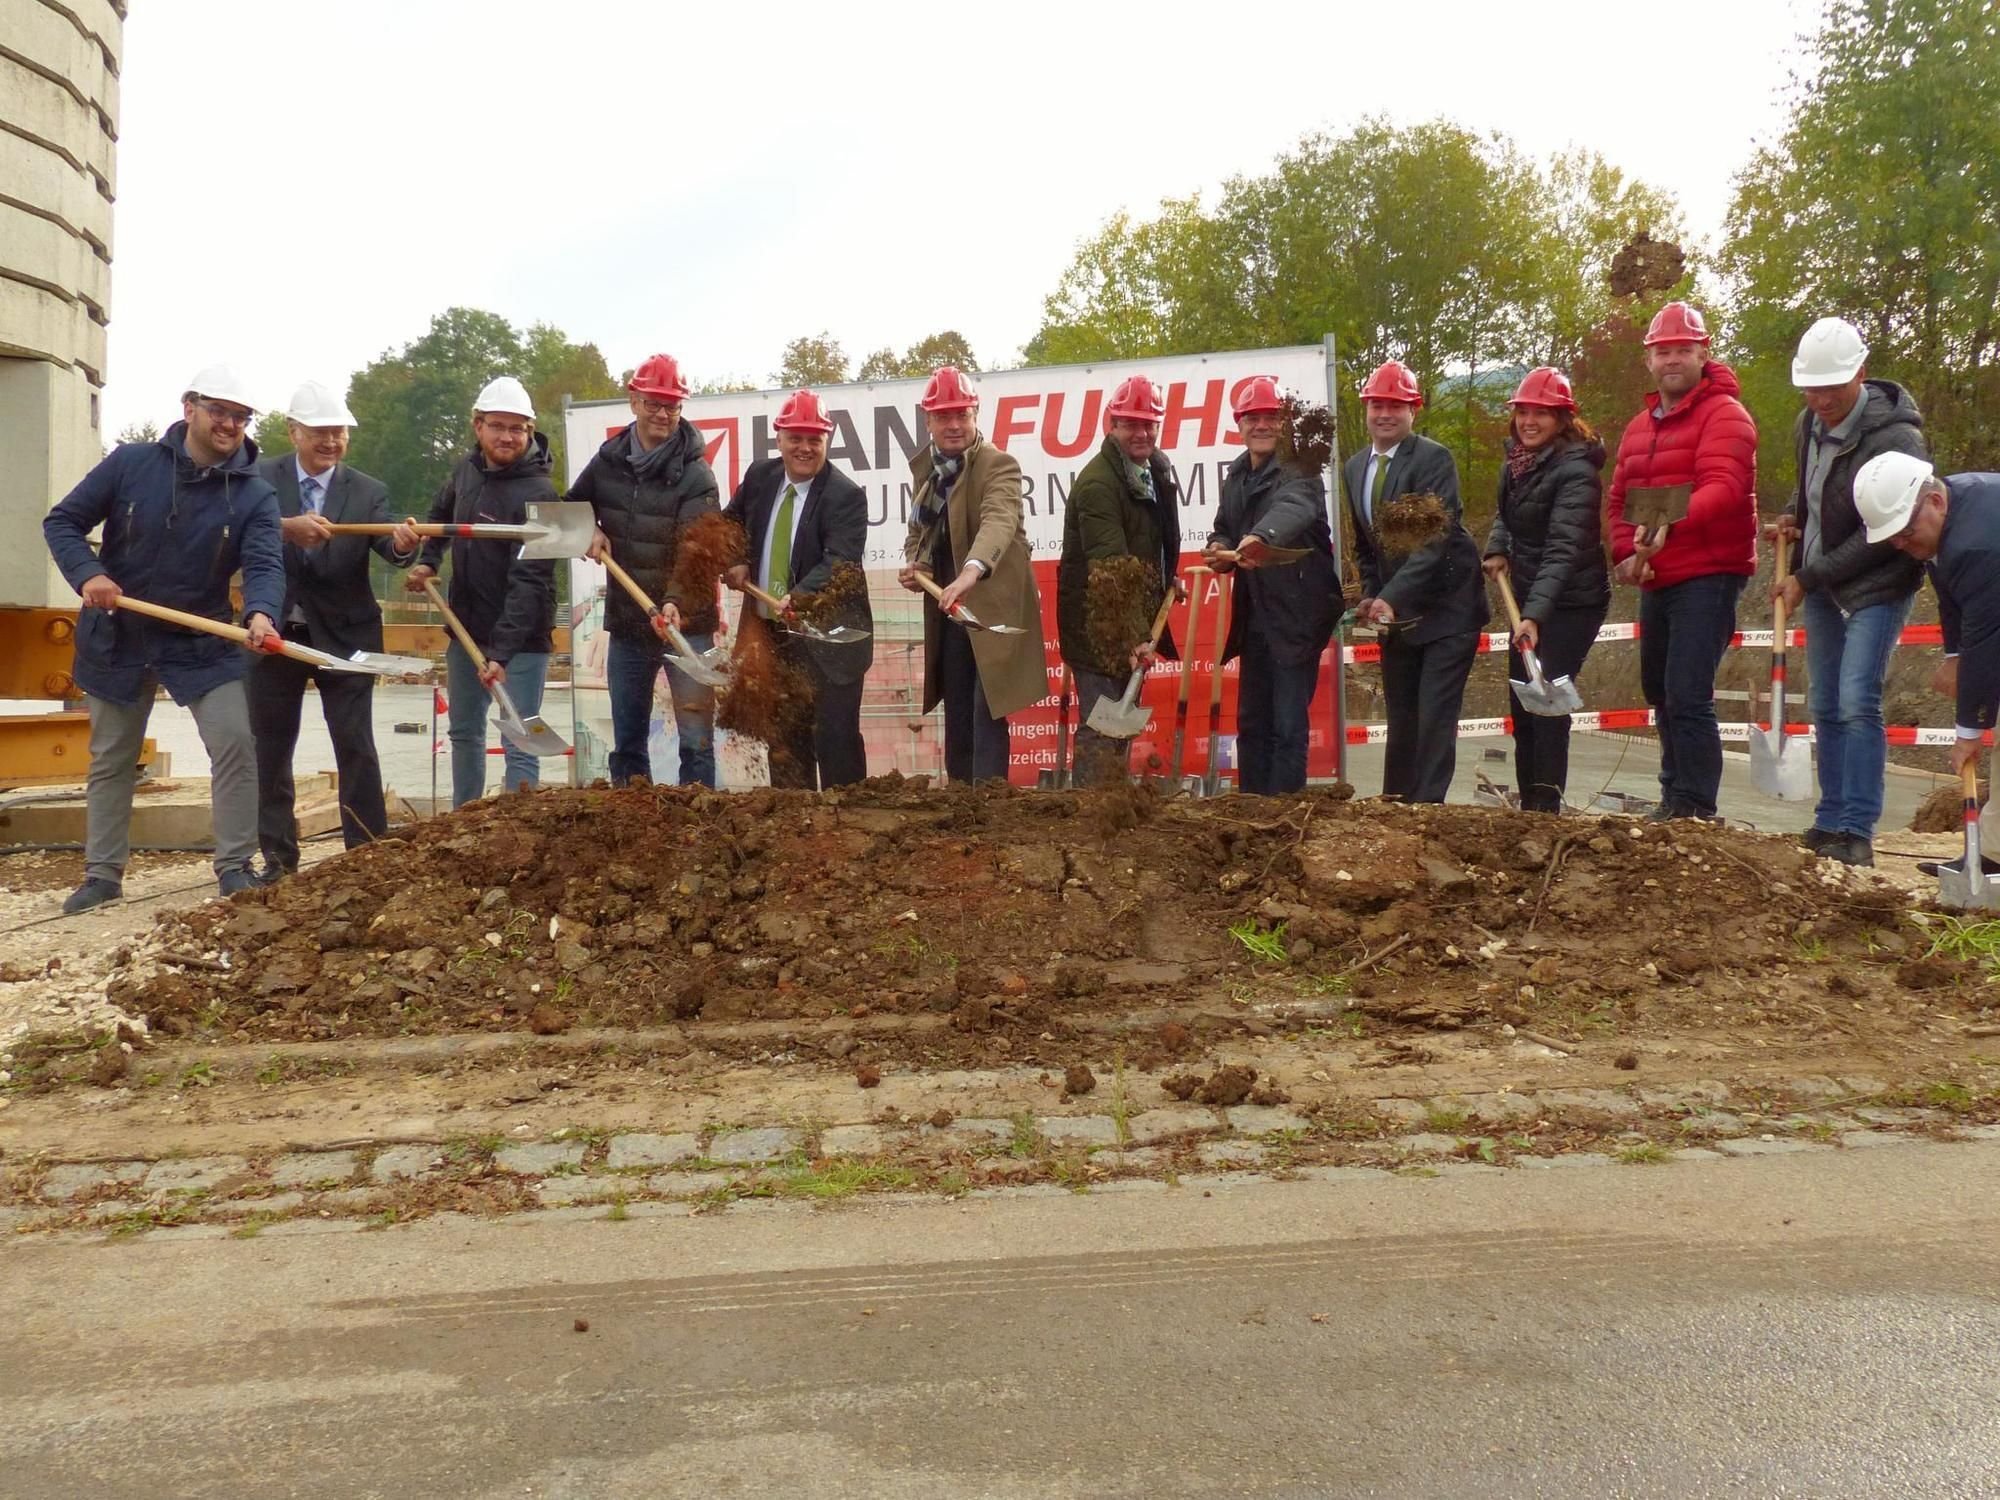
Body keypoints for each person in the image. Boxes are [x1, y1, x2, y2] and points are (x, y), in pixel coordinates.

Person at [42, 364, 285, 912]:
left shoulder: (254, 495)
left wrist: (263, 613)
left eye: (240, 417)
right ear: (189, 407)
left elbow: (266, 563)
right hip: (118, 635)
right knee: (112, 757)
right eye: (219, 411)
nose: (229, 424)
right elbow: (63, 522)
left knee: (235, 746)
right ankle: (102, 875)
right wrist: (89, 575)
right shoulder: (131, 464)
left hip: (201, 640)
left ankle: (234, 866)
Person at [1764, 317, 1927, 867]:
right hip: (1821, 582)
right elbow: (1813, 487)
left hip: (1876, 582)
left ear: (1860, 371)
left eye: (1831, 387)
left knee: (1859, 700)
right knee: (1827, 703)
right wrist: (1791, 517)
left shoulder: (1897, 437)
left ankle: (1856, 827)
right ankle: (1829, 818)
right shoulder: (1806, 423)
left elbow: (1883, 532)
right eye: (1811, 388)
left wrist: (1807, 577)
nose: (1820, 398)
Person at [248, 381, 422, 882]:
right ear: (294, 431)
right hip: (274, 629)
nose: (331, 442)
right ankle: (278, 859)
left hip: (347, 636)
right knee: (271, 746)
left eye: (339, 433)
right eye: (321, 432)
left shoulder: (367, 491)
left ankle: (365, 854)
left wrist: (404, 545)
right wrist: (287, 526)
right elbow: (238, 528)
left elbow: (388, 547)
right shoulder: (260, 479)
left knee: (354, 743)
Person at [1606, 301, 1759, 822]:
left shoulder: (1725, 415)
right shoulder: (1639, 428)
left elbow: (1726, 486)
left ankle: (1695, 805)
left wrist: (1672, 522)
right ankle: (1674, 795)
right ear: (1649, 359)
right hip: (1660, 574)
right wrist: (1628, 553)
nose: (1672, 359)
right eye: (1663, 351)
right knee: (1659, 688)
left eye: (1682, 350)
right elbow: (1619, 499)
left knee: (1688, 690)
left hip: (1710, 571)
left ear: (1702, 353)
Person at [405, 376, 557, 808]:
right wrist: (429, 560)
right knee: (464, 730)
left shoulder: (542, 493)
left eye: (517, 428)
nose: (507, 436)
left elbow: (532, 580)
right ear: (478, 426)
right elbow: (439, 517)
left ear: (529, 431)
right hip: (465, 629)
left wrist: (501, 653)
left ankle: (518, 832)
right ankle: (465, 820)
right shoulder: (465, 472)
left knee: (520, 737)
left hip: (522, 642)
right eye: (498, 426)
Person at [1341, 360, 1487, 803]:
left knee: (1433, 714)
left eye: (1396, 406)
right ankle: (1395, 804)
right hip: (1397, 615)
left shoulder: (1432, 459)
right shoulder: (1353, 468)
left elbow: (1434, 539)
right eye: (1377, 405)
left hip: (1448, 609)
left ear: (1413, 410)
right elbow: (1367, 546)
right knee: (1402, 713)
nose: (1385, 414)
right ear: (1366, 409)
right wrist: (1371, 595)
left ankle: (1427, 809)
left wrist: (1390, 597)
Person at [572, 355, 720, 788]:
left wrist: (675, 601)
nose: (663, 414)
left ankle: (700, 828)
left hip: (686, 623)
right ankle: (633, 829)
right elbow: (569, 506)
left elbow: (697, 552)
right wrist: (589, 529)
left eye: (672, 406)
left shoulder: (696, 473)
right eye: (654, 403)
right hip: (629, 622)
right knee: (628, 741)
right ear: (634, 400)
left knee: (696, 742)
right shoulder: (609, 461)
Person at [897, 366, 1047, 783]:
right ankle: (962, 801)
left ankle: (990, 803)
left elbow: (997, 523)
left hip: (990, 608)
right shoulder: (928, 473)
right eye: (944, 416)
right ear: (928, 421)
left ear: (975, 414)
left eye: (962, 414)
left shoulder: (1000, 466)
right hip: (951, 611)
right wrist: (918, 564)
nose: (954, 425)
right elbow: (918, 533)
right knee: (958, 708)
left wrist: (970, 572)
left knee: (988, 710)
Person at [1853, 454, 2000, 877]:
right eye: (1893, 537)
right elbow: (1953, 598)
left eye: (1905, 532)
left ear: (1933, 501)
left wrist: (1969, 731)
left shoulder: (1978, 542)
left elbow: (1987, 642)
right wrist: (1953, 656)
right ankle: (1991, 857)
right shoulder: (1948, 511)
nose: (1900, 544)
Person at [723, 388, 874, 788]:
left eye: (814, 439)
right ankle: (794, 826)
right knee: (785, 743)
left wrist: (800, 596)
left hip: (828, 642)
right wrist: (735, 558)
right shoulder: (760, 477)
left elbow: (840, 562)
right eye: (796, 438)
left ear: (828, 440)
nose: (804, 448)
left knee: (835, 741)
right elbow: (730, 522)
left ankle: (853, 828)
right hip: (775, 638)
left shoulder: (845, 496)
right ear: (780, 438)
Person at [1481, 368, 1611, 814]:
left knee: (1548, 701)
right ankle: (1528, 805)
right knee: (1523, 698)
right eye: (1522, 412)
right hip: (1529, 596)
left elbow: (1563, 549)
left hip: (1573, 601)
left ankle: (1546, 807)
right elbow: (1508, 515)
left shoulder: (1576, 473)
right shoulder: (1517, 462)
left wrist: (1534, 615)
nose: (1528, 421)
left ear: (1562, 419)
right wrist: (1499, 546)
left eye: (1540, 413)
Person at [1204, 375, 1337, 794]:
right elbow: (1226, 526)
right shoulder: (1238, 474)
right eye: (1252, 418)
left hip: (1297, 615)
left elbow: (1293, 508)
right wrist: (1219, 546)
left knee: (1287, 724)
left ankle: (1283, 814)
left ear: (1284, 423)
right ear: (1239, 423)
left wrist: (1262, 537)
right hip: (1256, 616)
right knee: (1252, 722)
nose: (1261, 426)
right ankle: (1251, 808)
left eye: (1270, 418)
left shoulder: (1300, 469)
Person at [1057, 374, 1181, 786]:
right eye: (1131, 423)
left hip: (1128, 620)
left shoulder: (1153, 470)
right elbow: (1111, 568)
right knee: (1100, 725)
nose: (1142, 432)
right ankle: (1093, 816)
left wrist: (1168, 578)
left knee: (1119, 723)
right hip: (1096, 625)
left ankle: (1114, 810)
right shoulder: (1098, 483)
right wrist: (1134, 637)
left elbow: (1154, 539)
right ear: (1112, 424)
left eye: (1149, 423)